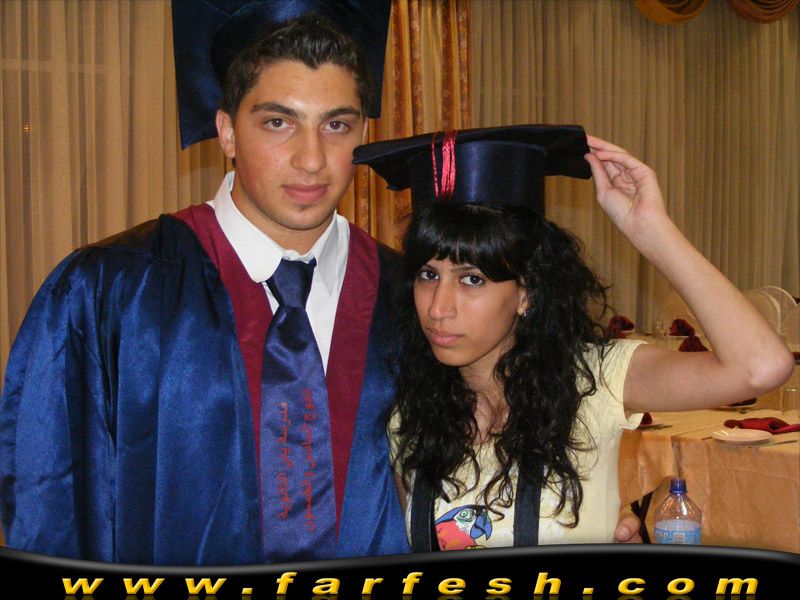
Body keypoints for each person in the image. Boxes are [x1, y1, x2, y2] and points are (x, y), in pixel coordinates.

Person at [0, 11, 642, 564]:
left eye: (336, 125)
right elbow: (48, 500)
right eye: (278, 123)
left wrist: (591, 518)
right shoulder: (112, 292)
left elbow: (498, 441)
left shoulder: (410, 297)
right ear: (226, 131)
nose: (312, 160)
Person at [354, 126, 795, 550]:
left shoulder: (594, 379)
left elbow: (760, 367)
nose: (438, 307)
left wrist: (651, 230)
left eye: (472, 279)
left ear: (526, 293)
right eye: (428, 275)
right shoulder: (405, 406)